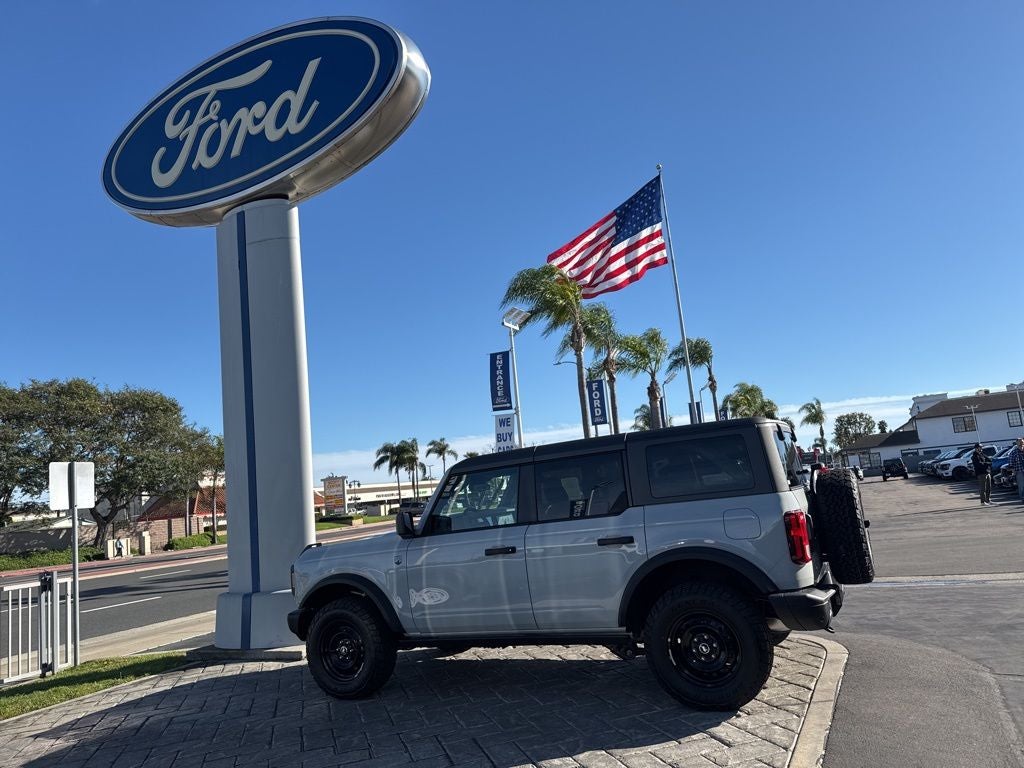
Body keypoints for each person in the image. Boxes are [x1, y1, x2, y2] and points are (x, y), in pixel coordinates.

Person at [1007, 438, 1024, 504]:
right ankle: (1023, 498)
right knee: (1021, 486)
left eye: (1022, 442)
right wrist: (1013, 471)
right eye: (1020, 442)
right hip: (1019, 471)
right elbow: (1010, 464)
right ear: (1017, 443)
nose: (1021, 444)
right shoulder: (1013, 452)